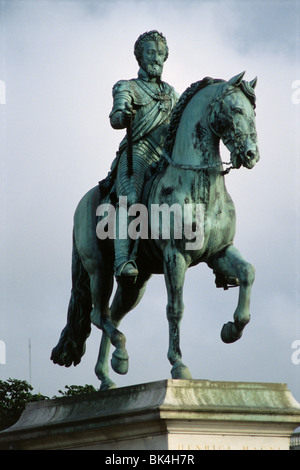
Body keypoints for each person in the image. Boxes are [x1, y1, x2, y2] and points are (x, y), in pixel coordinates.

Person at [107, 30, 179, 279]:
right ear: (140, 57)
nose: (156, 58)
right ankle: (122, 261)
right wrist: (122, 115)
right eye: (151, 52)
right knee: (131, 196)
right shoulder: (128, 87)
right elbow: (116, 118)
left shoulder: (172, 94)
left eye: (160, 53)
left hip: (166, 157)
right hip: (138, 151)